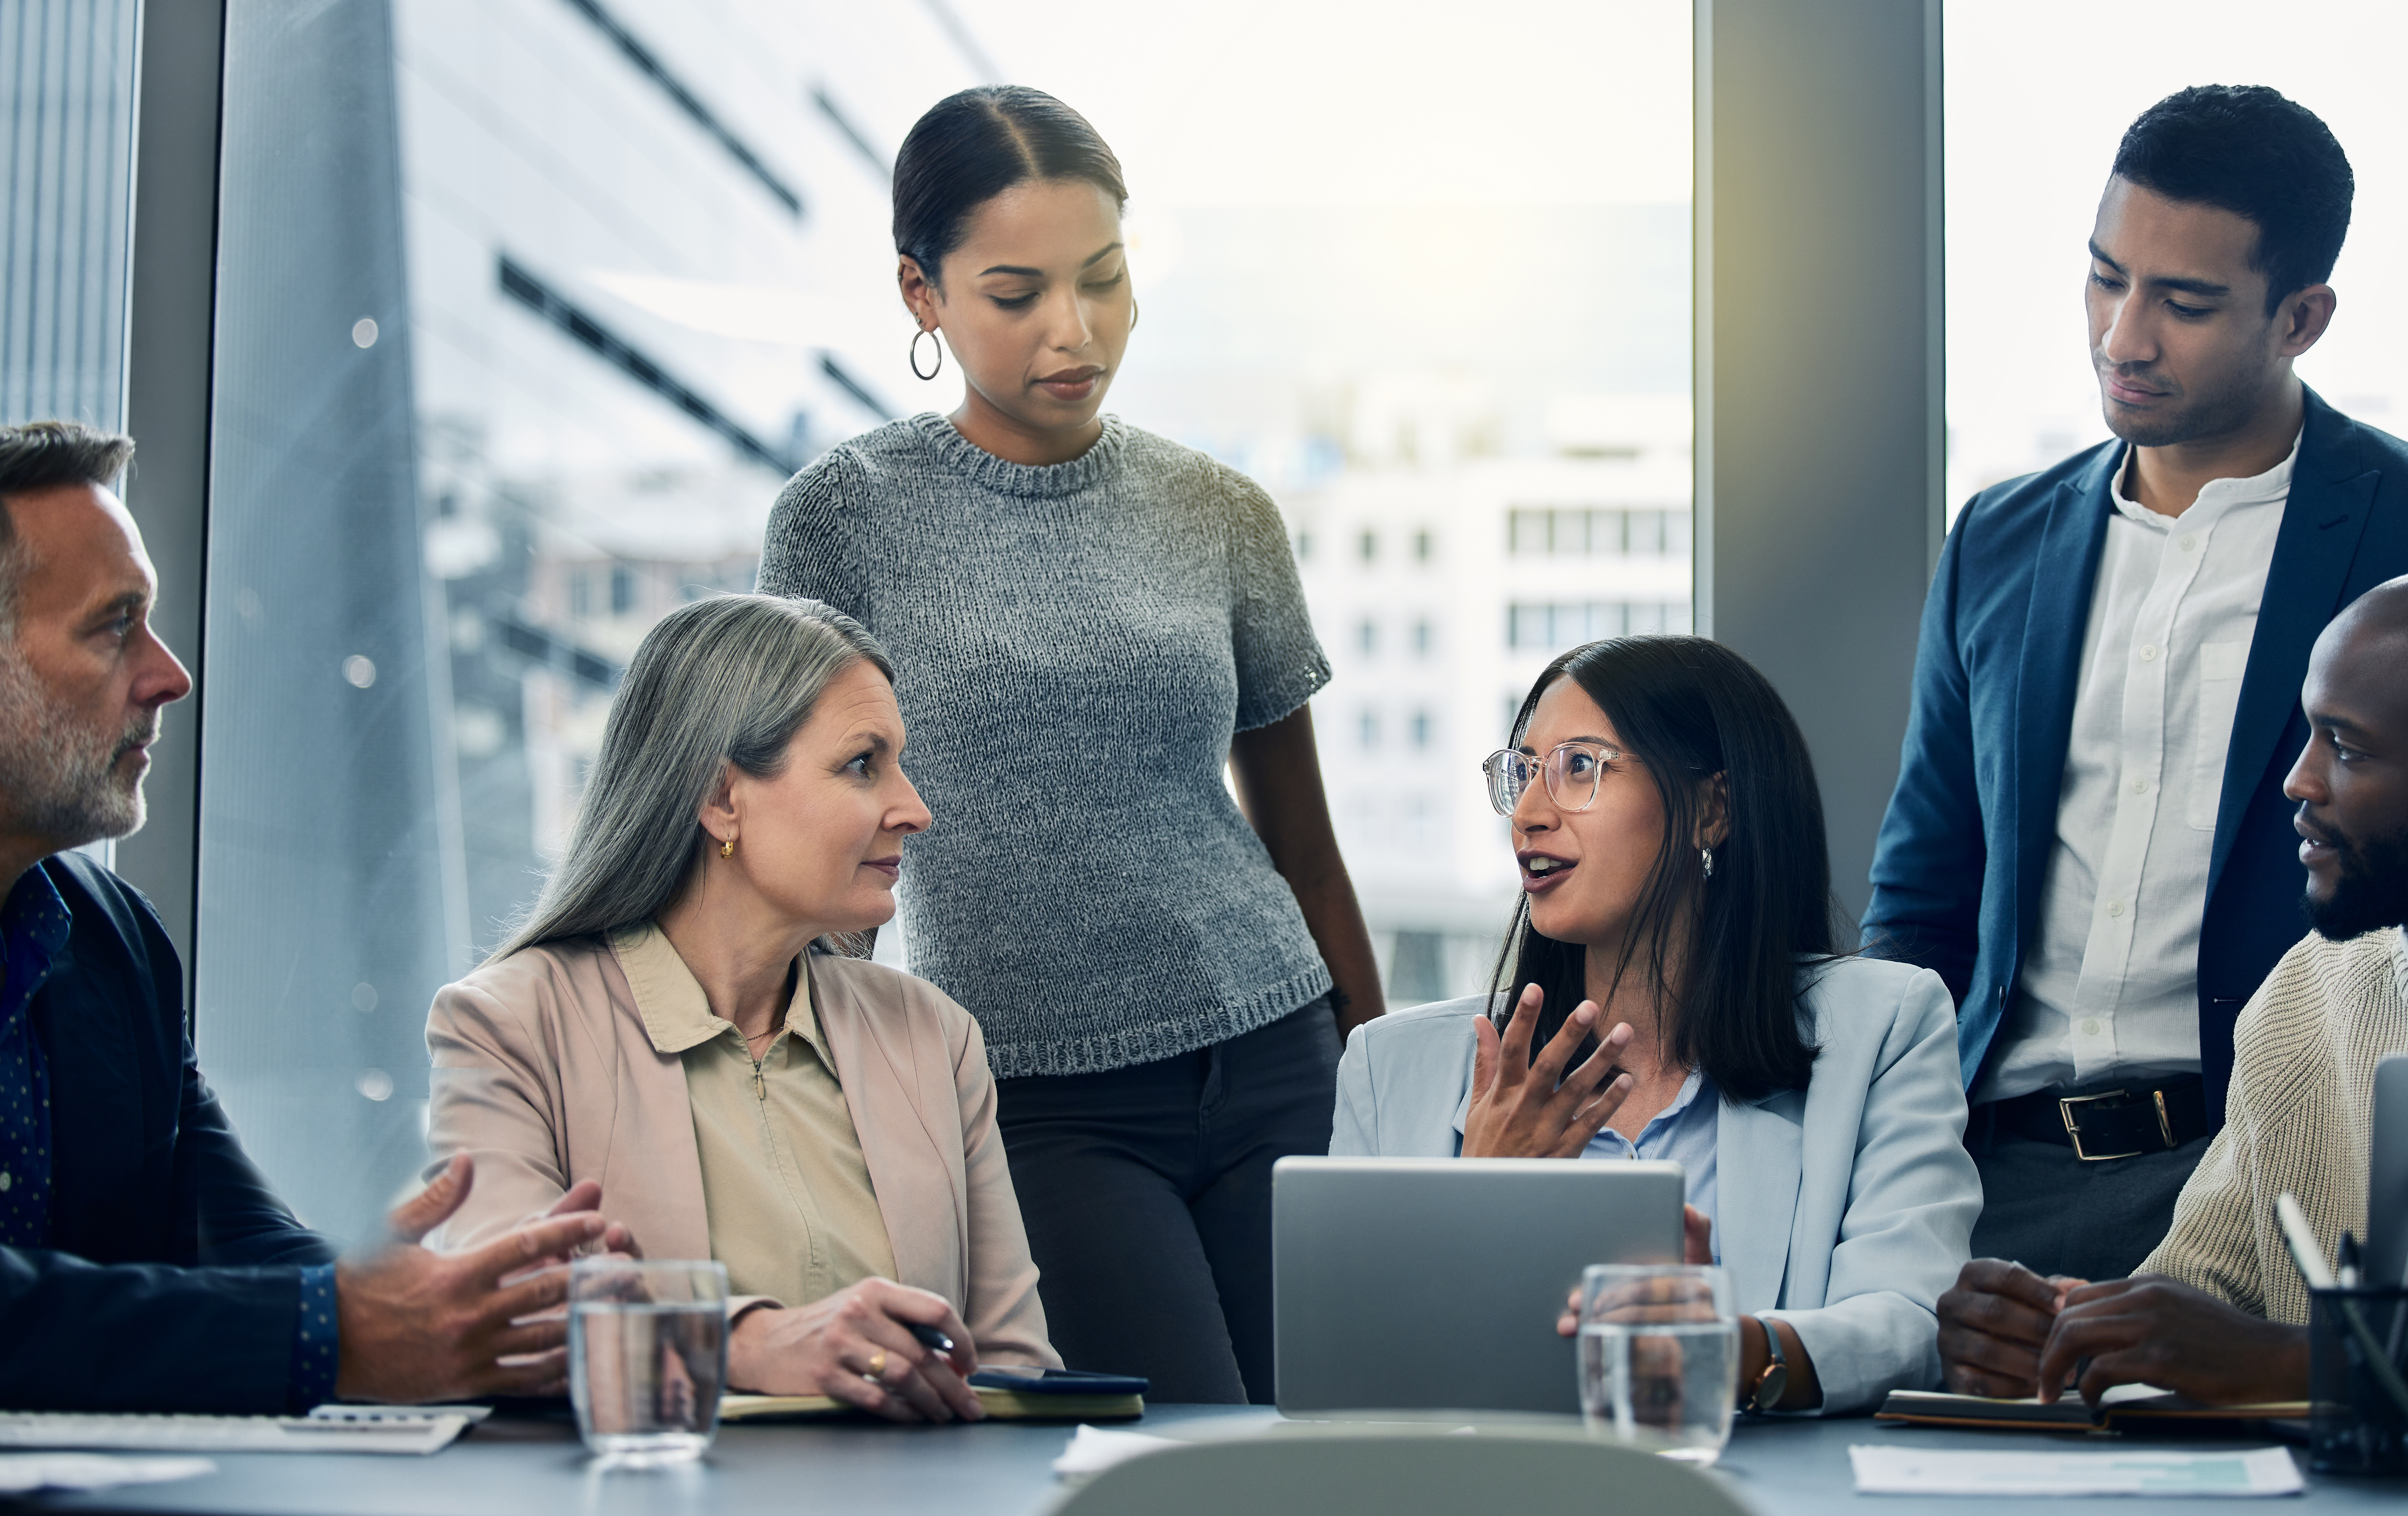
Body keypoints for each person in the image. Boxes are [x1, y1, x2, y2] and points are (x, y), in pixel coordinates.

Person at [1863, 85, 2408, 1285]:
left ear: (2301, 317)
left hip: (2293, 1171)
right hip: (1986, 1185)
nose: (2122, 336)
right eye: (2105, 279)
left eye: (2183, 303)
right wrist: (1882, 1167)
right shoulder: (1996, 540)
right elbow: (1923, 896)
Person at [755, 86, 1379, 1405]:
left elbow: (1306, 851)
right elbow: (816, 850)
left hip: (1278, 1050)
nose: (1074, 330)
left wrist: (1388, 1106)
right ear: (922, 294)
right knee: (1177, 1460)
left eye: (1102, 278)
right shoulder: (838, 519)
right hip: (1034, 1097)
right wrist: (809, 1112)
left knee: (1334, 1444)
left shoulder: (1222, 512)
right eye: (1016, 292)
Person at [1936, 565, 2408, 1405]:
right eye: (2311, 735)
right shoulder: (2304, 994)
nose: (2300, 780)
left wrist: (2305, 1362)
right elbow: (2199, 1298)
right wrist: (2060, 1339)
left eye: (2346, 749)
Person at [0, 420, 618, 1412]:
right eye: (114, 626)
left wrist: (448, 1308)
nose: (170, 675)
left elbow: (235, 1241)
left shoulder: (117, 947)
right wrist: (333, 1330)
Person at [424, 594, 1058, 1424]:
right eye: (862, 764)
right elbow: (497, 1325)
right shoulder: (509, 1025)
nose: (914, 809)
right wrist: (750, 1341)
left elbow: (1012, 1371)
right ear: (722, 797)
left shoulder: (933, 1037)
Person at [1333, 635, 1980, 1414]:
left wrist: (1732, 1348)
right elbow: (1351, 1381)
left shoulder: (1885, 1027)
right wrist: (1480, 1203)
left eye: (1580, 767)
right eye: (1524, 772)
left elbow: (1912, 1318)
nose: (1529, 815)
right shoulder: (1386, 1069)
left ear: (1712, 810)